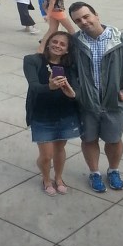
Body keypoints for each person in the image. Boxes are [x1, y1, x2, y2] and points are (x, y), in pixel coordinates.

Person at [68, 1, 123, 193]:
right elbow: (69, 70)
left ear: (96, 15)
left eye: (86, 16)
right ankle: (94, 173)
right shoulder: (75, 43)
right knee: (89, 139)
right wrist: (78, 92)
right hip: (86, 105)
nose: (83, 22)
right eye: (78, 20)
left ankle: (113, 170)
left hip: (114, 104)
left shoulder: (122, 42)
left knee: (113, 140)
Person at [23, 31, 81, 195]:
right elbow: (34, 87)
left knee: (60, 148)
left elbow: (77, 88)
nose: (57, 46)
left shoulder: (70, 65)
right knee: (46, 155)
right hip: (42, 115)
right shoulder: (32, 60)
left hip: (65, 114)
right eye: (54, 42)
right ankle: (46, 178)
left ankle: (59, 177)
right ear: (48, 43)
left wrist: (72, 93)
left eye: (63, 44)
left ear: (67, 50)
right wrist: (50, 86)